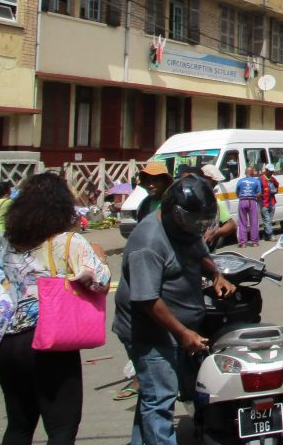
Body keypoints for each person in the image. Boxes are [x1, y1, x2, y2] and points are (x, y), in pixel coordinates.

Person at [0, 172, 110, 445]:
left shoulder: (10, 243)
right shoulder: (68, 242)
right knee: (61, 428)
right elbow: (100, 283)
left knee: (19, 427)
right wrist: (100, 257)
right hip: (48, 343)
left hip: (9, 342)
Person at [113, 174, 234, 445]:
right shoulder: (148, 242)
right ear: (172, 213)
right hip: (150, 331)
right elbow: (146, 300)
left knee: (154, 394)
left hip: (175, 328)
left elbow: (200, 253)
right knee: (160, 399)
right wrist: (182, 332)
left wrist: (217, 276)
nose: (196, 229)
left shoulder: (186, 228)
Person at [234, 166, 262, 248]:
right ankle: (255, 242)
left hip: (242, 201)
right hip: (252, 201)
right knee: (254, 221)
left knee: (242, 222)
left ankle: (243, 243)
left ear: (246, 173)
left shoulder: (240, 181)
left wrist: (242, 196)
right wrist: (254, 197)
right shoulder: (256, 181)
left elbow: (237, 193)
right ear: (251, 172)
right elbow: (259, 193)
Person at [258, 163, 279, 242]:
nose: (271, 172)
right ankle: (271, 235)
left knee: (269, 220)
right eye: (270, 171)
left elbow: (277, 185)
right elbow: (258, 190)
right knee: (267, 220)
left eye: (272, 171)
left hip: (272, 203)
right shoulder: (260, 179)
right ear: (266, 171)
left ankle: (266, 235)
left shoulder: (273, 179)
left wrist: (275, 190)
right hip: (264, 203)